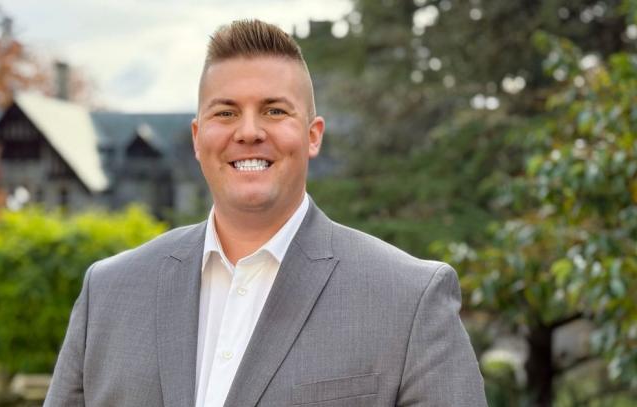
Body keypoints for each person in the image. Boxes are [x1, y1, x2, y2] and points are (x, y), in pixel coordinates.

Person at [44, 19, 487, 407]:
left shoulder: (409, 300)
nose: (249, 132)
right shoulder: (108, 292)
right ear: (198, 137)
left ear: (313, 136)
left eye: (274, 111)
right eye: (226, 112)